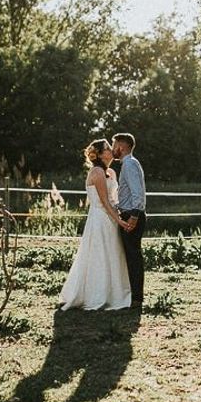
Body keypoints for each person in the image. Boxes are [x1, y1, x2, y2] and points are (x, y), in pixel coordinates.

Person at [58, 139, 133, 310]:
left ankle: (114, 292)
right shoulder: (97, 172)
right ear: (100, 154)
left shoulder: (111, 173)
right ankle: (97, 294)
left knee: (113, 254)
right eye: (107, 148)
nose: (111, 151)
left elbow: (115, 199)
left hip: (111, 217)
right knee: (99, 255)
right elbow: (104, 202)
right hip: (100, 218)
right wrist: (119, 220)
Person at [112, 132, 146, 307]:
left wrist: (133, 216)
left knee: (133, 258)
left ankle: (137, 298)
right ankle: (133, 296)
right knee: (130, 257)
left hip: (132, 215)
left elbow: (137, 193)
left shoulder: (130, 164)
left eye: (114, 145)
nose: (112, 149)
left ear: (121, 147)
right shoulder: (128, 164)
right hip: (128, 213)